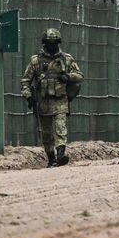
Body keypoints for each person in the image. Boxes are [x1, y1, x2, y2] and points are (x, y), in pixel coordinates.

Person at [21, 28, 84, 167]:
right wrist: (28, 96)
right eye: (49, 43)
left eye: (54, 43)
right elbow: (25, 81)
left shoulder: (66, 59)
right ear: (44, 44)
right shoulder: (36, 61)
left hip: (60, 100)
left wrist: (67, 77)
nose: (51, 46)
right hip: (43, 102)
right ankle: (51, 159)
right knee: (47, 133)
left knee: (60, 128)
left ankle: (61, 154)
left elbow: (79, 75)